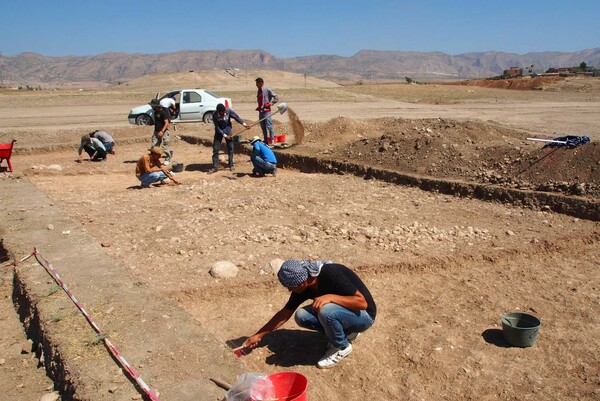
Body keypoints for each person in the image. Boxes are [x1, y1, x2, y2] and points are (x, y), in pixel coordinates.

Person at [243, 259, 376, 369]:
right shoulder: (303, 287)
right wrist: (258, 335)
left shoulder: (331, 273)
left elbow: (362, 303)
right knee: (301, 316)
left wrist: (330, 297)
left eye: (291, 286)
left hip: (364, 316)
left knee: (326, 310)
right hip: (347, 314)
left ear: (303, 281)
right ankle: (347, 333)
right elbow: (285, 313)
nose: (290, 289)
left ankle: (342, 347)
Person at [208, 103, 249, 173]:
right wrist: (224, 135)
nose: (223, 113)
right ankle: (215, 166)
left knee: (230, 148)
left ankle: (231, 165)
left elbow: (236, 117)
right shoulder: (214, 115)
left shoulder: (228, 111)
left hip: (228, 130)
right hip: (219, 132)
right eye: (221, 113)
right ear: (218, 112)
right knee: (216, 148)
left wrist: (244, 124)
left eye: (224, 112)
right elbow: (217, 127)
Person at [255, 77, 279, 145]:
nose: (256, 85)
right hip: (261, 111)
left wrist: (270, 104)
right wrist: (259, 107)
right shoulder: (258, 91)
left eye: (257, 83)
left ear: (261, 83)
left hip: (267, 111)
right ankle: (265, 140)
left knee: (269, 126)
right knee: (263, 126)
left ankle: (272, 140)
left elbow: (276, 97)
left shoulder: (266, 90)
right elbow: (260, 101)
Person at [149, 99, 173, 164]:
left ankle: (167, 159)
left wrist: (162, 131)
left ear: (157, 106)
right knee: (154, 146)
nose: (152, 107)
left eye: (153, 106)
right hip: (156, 131)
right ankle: (154, 159)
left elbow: (167, 122)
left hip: (164, 132)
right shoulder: (155, 112)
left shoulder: (163, 113)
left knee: (165, 146)